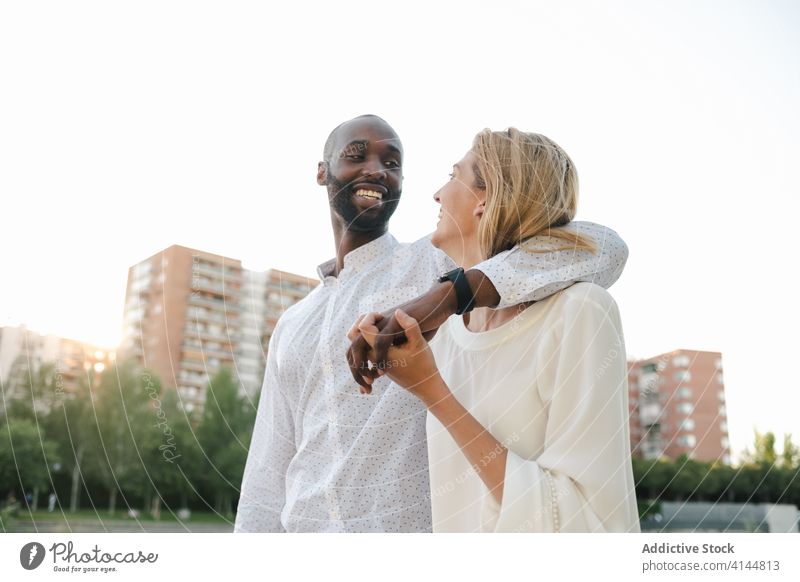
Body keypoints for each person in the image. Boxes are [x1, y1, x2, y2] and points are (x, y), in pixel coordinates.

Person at [234, 115, 628, 532]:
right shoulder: (292, 323)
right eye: (357, 155)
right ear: (321, 171)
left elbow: (603, 247)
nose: (376, 169)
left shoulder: (439, 262)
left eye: (392, 162)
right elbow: (267, 471)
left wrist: (445, 296)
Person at [353, 128, 639, 532]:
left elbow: (588, 525)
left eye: (453, 175)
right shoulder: (449, 334)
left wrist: (433, 390)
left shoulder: (580, 312)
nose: (437, 193)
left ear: (484, 200)